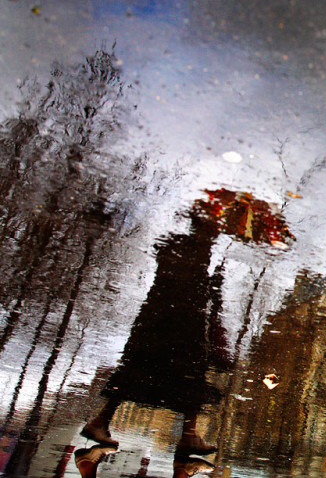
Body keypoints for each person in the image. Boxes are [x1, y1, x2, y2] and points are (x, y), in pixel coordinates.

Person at [76, 203, 232, 477]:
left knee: (152, 361)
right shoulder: (190, 243)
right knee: (181, 362)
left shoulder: (176, 242)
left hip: (165, 307)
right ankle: (186, 439)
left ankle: (183, 438)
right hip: (178, 308)